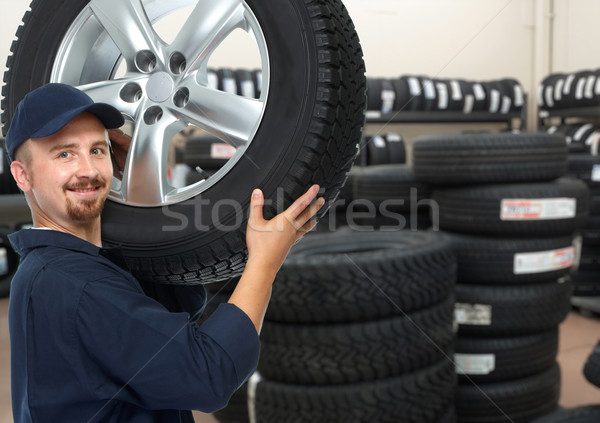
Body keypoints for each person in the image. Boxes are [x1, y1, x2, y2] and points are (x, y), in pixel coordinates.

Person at [5, 83, 324, 422]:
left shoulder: (60, 268)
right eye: (64, 154)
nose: (89, 170)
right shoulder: (77, 285)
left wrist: (146, 186)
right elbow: (208, 375)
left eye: (98, 150)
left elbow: (177, 308)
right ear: (22, 176)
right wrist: (264, 263)